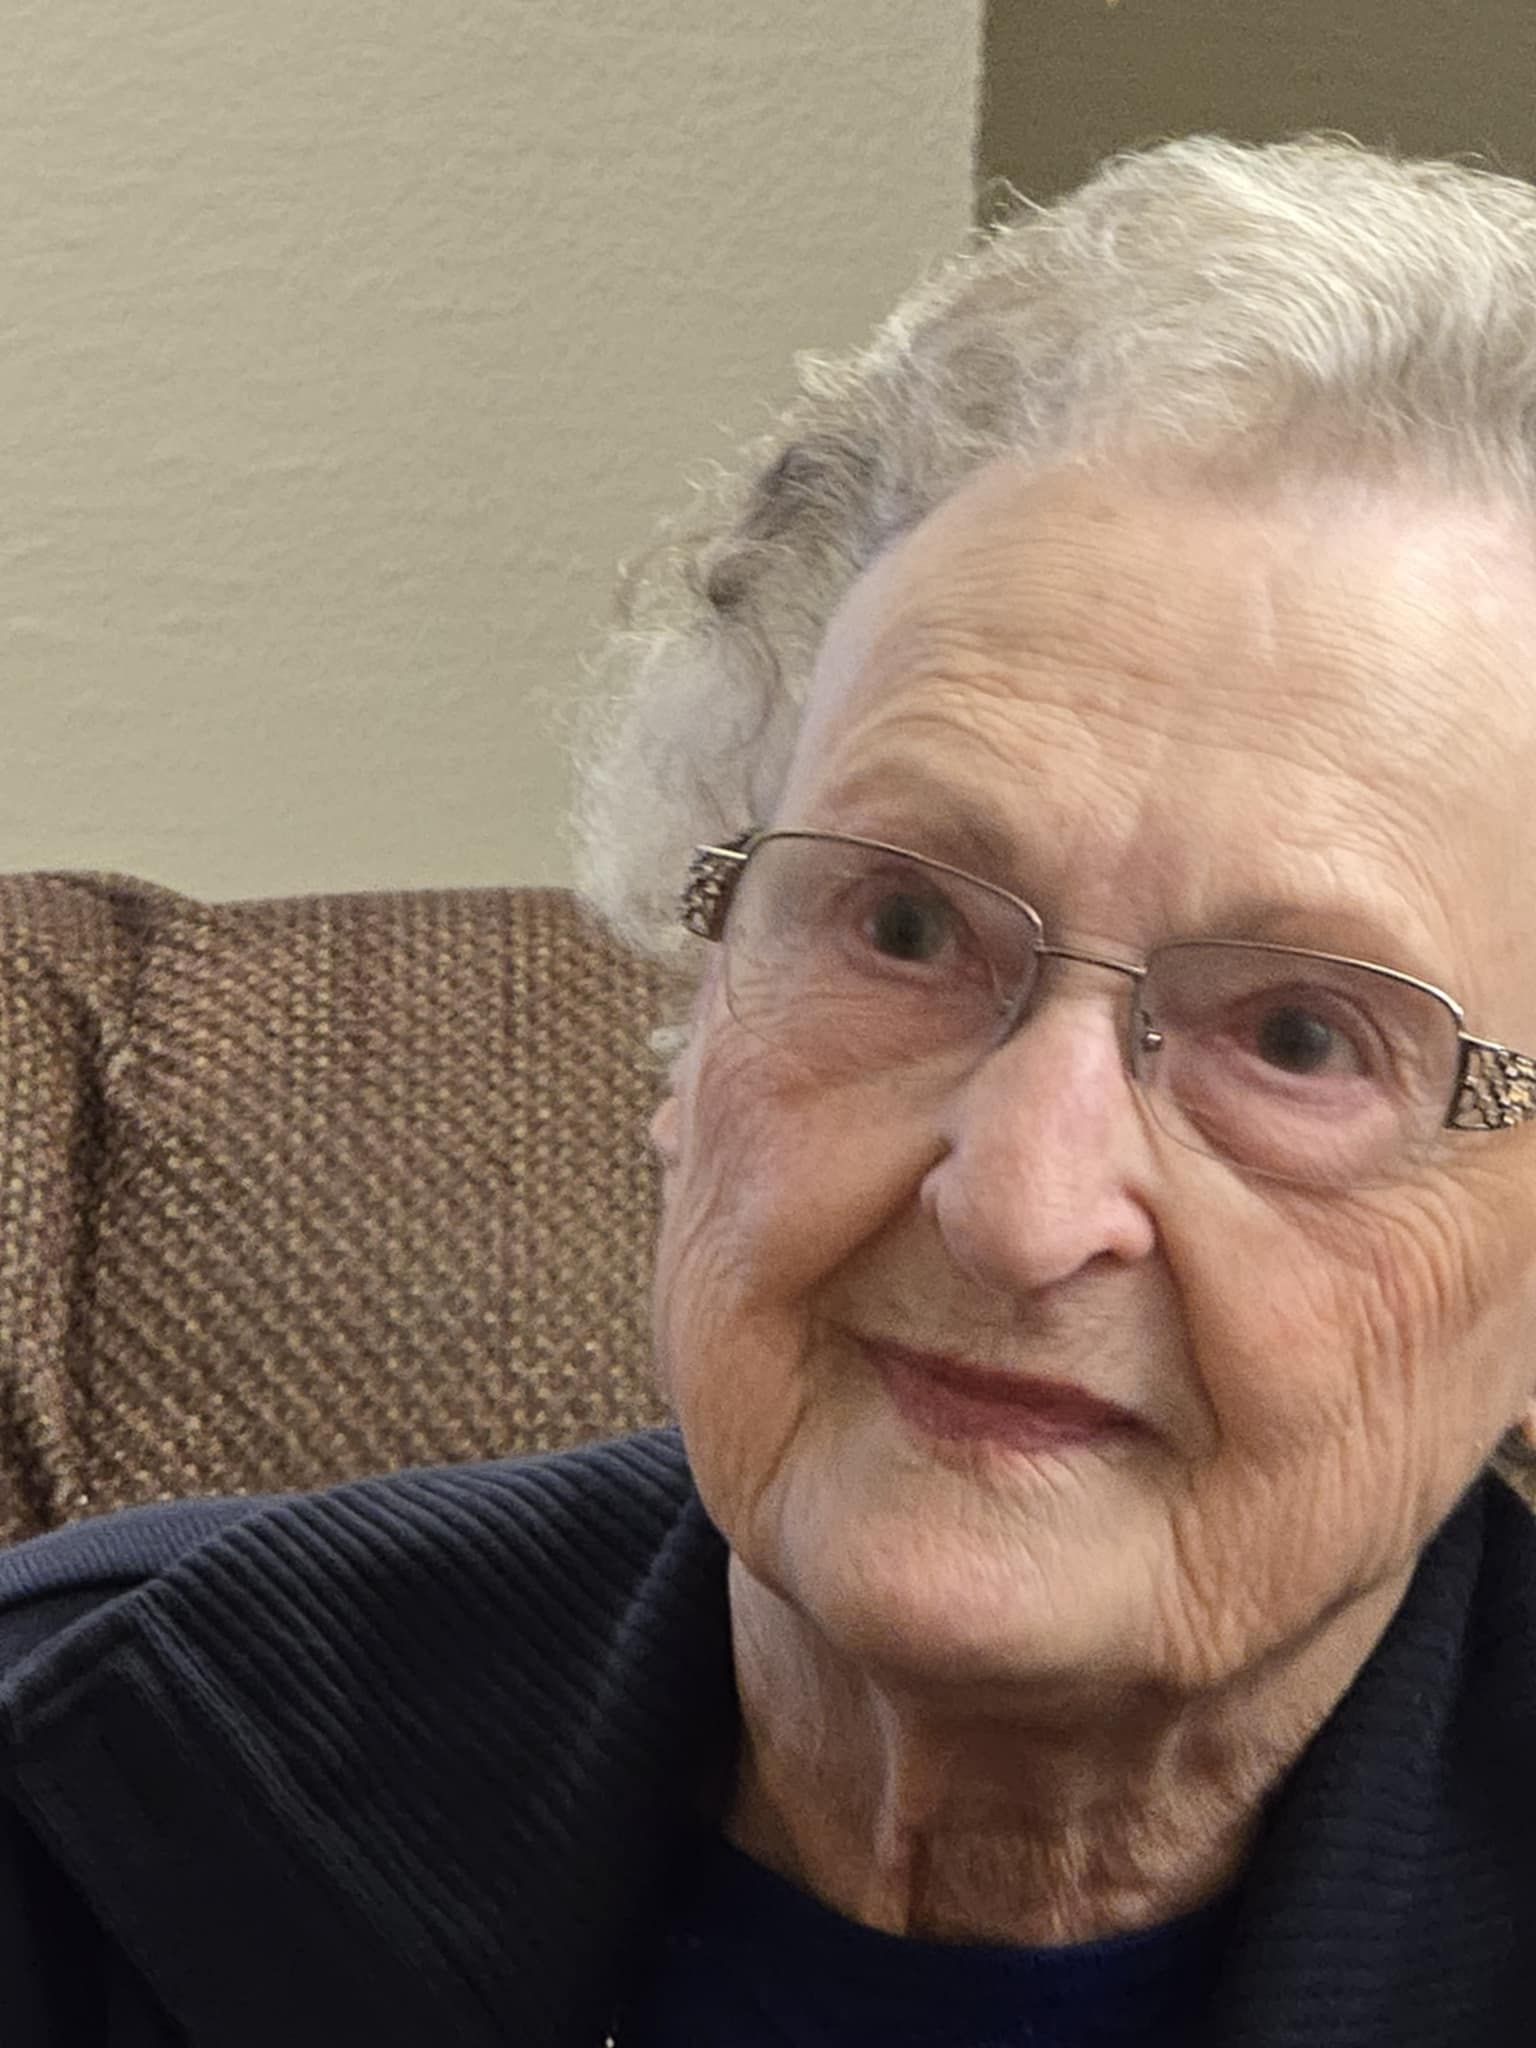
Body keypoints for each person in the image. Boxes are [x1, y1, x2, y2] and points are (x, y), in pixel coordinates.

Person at [6, 134, 1536, 2047]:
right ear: (700, 991)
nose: (1017, 1201)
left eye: (1301, 1038)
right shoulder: (78, 1797)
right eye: (904, 924)